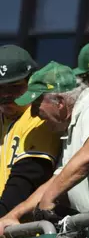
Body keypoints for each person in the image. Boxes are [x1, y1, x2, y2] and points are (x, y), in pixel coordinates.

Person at [0, 62, 89, 235]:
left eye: (37, 103)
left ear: (60, 102)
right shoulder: (71, 126)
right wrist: (13, 215)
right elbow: (58, 178)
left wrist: (50, 197)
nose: (34, 113)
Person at [0, 46, 61, 218]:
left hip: (26, 232)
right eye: (0, 88)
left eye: (14, 87)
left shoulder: (39, 118)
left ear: (31, 82)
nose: (5, 95)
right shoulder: (4, 119)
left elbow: (26, 181)